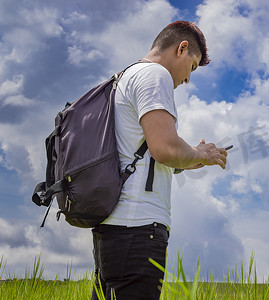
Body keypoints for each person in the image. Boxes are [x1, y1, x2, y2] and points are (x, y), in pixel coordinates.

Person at [91, 20, 228, 300]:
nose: (188, 79)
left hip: (112, 228)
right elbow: (164, 148)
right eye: (192, 66)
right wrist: (202, 153)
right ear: (182, 48)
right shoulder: (156, 76)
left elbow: (141, 153)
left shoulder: (123, 77)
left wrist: (194, 158)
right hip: (138, 229)